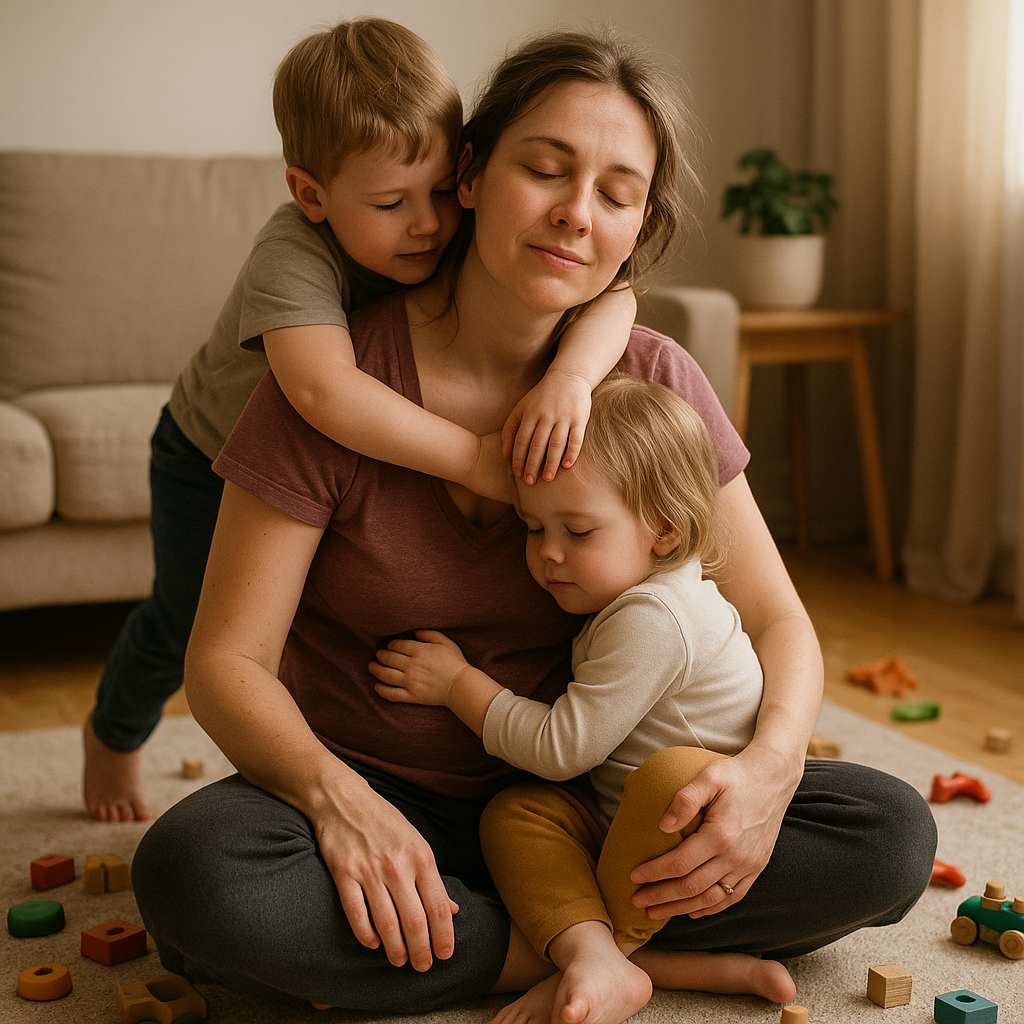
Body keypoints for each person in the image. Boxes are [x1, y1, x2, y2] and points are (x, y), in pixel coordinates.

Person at [131, 27, 937, 1018]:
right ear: (468, 174)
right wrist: (338, 805)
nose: (573, 214)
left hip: (599, 802)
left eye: (616, 192)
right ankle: (570, 947)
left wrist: (769, 771)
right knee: (199, 876)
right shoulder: (331, 382)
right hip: (384, 787)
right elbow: (226, 662)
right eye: (544, 170)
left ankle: (518, 933)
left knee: (887, 834)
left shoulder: (650, 378)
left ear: (639, 223)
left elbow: (779, 622)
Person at [83, 17, 636, 823]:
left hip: (329, 475)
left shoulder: (452, 229)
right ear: (311, 195)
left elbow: (616, 290)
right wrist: (476, 459)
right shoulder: (294, 253)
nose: (427, 224)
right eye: (390, 202)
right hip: (208, 453)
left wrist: (574, 380)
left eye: (443, 190)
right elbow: (322, 394)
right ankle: (113, 733)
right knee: (184, 616)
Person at [370, 373, 795, 1022]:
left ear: (666, 530)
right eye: (534, 529)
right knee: (517, 814)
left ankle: (603, 952)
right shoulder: (638, 593)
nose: (548, 556)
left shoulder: (654, 616)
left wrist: (457, 685)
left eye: (578, 531)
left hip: (688, 829)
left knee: (678, 778)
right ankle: (618, 958)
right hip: (616, 820)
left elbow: (561, 749)